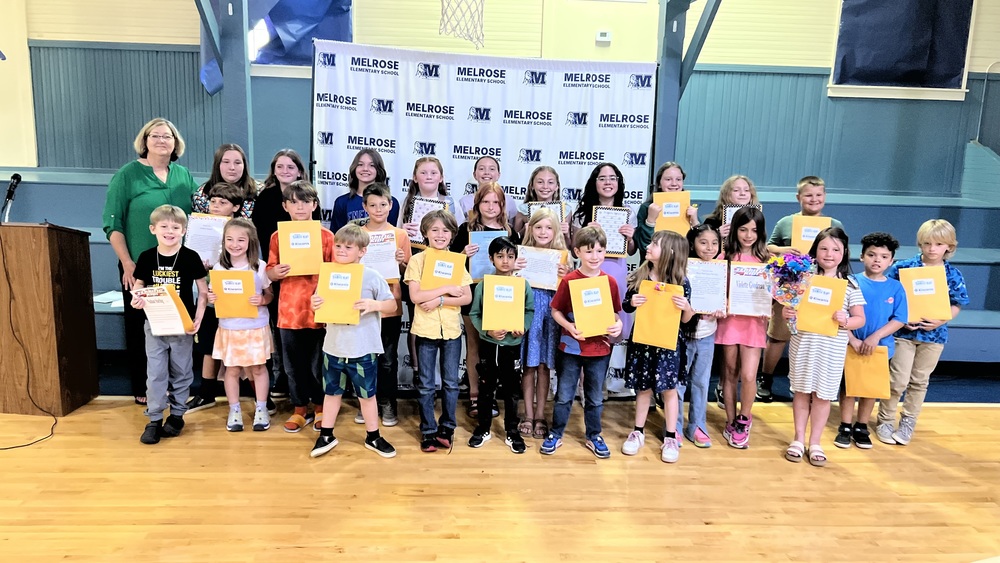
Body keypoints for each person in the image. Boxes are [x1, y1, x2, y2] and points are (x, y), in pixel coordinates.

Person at [102, 117, 199, 405]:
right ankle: (144, 388)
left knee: (177, 325)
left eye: (167, 136)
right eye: (155, 136)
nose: (161, 141)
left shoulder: (183, 175)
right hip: (141, 266)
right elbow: (113, 223)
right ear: (144, 141)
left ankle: (177, 388)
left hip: (179, 266)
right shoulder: (127, 175)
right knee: (140, 324)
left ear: (175, 142)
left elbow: (200, 214)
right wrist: (128, 263)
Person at [309, 224, 399, 459]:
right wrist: (315, 303)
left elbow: (392, 305)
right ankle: (326, 434)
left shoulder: (371, 276)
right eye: (338, 246)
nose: (341, 250)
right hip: (334, 346)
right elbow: (319, 304)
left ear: (362, 251)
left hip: (363, 347)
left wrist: (374, 305)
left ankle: (373, 436)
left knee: (367, 395)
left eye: (348, 247)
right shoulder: (328, 275)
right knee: (331, 392)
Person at [878, 219, 968, 446]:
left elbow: (957, 303)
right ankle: (886, 420)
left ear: (949, 246)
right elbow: (890, 296)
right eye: (927, 243)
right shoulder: (904, 267)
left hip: (934, 337)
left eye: (938, 244)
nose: (932, 249)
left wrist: (942, 319)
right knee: (897, 380)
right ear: (920, 243)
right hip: (903, 334)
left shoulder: (953, 274)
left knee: (919, 381)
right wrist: (901, 318)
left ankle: (908, 422)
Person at [782, 227, 866, 467]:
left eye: (836, 249)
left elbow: (860, 318)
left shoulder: (850, 285)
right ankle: (798, 439)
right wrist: (787, 312)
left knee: (822, 396)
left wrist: (846, 320)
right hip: (805, 344)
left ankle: (815, 442)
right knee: (801, 392)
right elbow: (789, 311)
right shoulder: (801, 279)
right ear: (815, 251)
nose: (829, 254)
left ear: (845, 253)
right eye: (824, 248)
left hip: (831, 348)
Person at [758, 176, 845, 402]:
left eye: (818, 195)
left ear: (825, 197)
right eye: (808, 195)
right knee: (778, 335)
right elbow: (768, 247)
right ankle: (765, 378)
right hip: (790, 286)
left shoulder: (834, 224)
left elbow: (841, 253)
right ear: (799, 198)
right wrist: (786, 249)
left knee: (813, 334)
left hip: (821, 288)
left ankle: (803, 384)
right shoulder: (787, 222)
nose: (813, 199)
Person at [541, 226, 624, 458]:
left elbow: (615, 314)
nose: (595, 257)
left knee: (595, 396)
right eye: (589, 252)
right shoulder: (569, 280)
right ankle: (556, 433)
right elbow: (555, 310)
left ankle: (594, 435)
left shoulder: (610, 283)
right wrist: (569, 327)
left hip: (599, 349)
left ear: (605, 251)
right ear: (577, 252)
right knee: (564, 395)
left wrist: (617, 325)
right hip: (570, 347)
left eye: (599, 251)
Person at [130, 205, 208, 444]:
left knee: (182, 372)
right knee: (155, 373)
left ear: (184, 230)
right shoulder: (145, 256)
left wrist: (198, 318)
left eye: (175, 227)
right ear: (153, 229)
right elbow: (138, 286)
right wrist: (136, 298)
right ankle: (154, 418)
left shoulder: (190, 257)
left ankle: (176, 415)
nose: (169, 231)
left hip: (182, 325)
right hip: (154, 325)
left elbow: (203, 292)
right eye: (164, 226)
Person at [265, 181, 335, 433]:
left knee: (319, 365)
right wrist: (276, 272)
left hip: (318, 311)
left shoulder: (327, 237)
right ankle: (298, 409)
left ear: (315, 205)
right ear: (285, 206)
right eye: (294, 202)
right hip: (288, 312)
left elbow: (336, 271)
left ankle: (320, 407)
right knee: (292, 365)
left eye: (305, 201)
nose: (300, 206)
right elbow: (269, 272)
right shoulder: (277, 237)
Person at [620, 231, 695, 463]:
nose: (649, 246)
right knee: (643, 388)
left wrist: (686, 307)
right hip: (643, 342)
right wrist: (631, 302)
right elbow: (626, 305)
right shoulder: (641, 276)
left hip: (668, 345)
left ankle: (671, 436)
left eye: (655, 244)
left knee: (669, 389)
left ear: (670, 252)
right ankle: (638, 431)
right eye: (651, 242)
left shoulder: (681, 283)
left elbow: (687, 320)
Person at [403, 210, 473, 452]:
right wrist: (445, 288)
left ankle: (447, 428)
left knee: (451, 383)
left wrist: (440, 301)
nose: (440, 234)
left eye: (445, 230)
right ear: (425, 233)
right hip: (426, 330)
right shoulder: (417, 260)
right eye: (434, 230)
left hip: (451, 330)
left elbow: (466, 297)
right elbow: (415, 296)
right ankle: (428, 430)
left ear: (453, 235)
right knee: (425, 383)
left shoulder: (456, 261)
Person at [451, 182, 520, 418]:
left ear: (502, 206)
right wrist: (462, 255)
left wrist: (518, 265)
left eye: (496, 202)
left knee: (496, 349)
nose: (491, 207)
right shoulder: (464, 230)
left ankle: (490, 396)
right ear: (477, 204)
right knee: (474, 347)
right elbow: (449, 267)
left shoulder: (511, 233)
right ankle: (474, 396)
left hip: (502, 297)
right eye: (485, 201)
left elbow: (516, 266)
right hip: (473, 295)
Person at [252, 149, 315, 401]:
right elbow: (258, 234)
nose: (285, 171)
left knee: (312, 342)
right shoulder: (266, 197)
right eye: (281, 166)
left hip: (311, 287)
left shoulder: (309, 199)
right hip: (281, 277)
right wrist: (271, 270)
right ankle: (284, 380)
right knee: (282, 331)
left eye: (291, 166)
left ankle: (315, 396)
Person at [838, 232, 907, 449]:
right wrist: (852, 339)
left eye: (883, 256)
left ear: (891, 261)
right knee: (849, 387)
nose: (877, 260)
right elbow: (839, 313)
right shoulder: (851, 282)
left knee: (870, 389)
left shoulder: (896, 287)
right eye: (872, 254)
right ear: (862, 257)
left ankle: (861, 426)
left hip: (880, 348)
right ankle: (845, 425)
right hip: (852, 345)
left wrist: (876, 336)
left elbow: (900, 319)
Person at [467, 237, 535, 453]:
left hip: (512, 345)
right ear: (491, 258)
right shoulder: (484, 285)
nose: (505, 261)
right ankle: (484, 428)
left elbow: (529, 311)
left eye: (510, 256)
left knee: (512, 391)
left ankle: (512, 431)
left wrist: (522, 327)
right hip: (489, 345)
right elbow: (475, 313)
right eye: (500, 256)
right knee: (486, 388)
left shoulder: (522, 285)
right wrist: (487, 330)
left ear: (515, 259)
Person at [206, 218, 274, 432]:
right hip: (229, 326)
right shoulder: (219, 267)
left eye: (241, 240)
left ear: (250, 242)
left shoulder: (259, 267)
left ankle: (261, 407)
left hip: (255, 326)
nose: (235, 244)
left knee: (258, 368)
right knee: (232, 369)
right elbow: (214, 294)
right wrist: (212, 297)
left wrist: (263, 300)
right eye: (230, 239)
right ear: (224, 241)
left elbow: (269, 294)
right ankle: (234, 409)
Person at [398, 157, 462, 381]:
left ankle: (443, 373)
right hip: (417, 260)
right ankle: (418, 369)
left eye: (433, 173)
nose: (428, 177)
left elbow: (458, 231)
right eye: (423, 173)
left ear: (441, 177)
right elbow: (398, 232)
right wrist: (404, 230)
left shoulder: (449, 201)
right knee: (418, 314)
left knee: (442, 310)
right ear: (415, 177)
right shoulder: (407, 201)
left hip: (444, 264)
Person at [355, 182, 412, 428]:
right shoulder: (356, 233)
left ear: (391, 206)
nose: (378, 209)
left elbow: (408, 272)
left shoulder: (399, 235)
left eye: (383, 204)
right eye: (373, 205)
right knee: (365, 356)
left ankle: (388, 402)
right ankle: (368, 402)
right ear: (364, 207)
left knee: (388, 358)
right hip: (363, 300)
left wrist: (401, 262)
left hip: (389, 301)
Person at [188, 182, 245, 414]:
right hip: (210, 296)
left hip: (236, 295)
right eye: (213, 202)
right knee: (209, 346)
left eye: (223, 203)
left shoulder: (242, 230)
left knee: (240, 343)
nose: (216, 206)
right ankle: (206, 392)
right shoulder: (200, 225)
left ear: (235, 207)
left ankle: (249, 392)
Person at [716, 207, 769, 449]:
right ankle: (730, 421)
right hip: (729, 320)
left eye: (754, 230)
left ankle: (744, 419)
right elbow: (713, 286)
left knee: (749, 374)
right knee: (729, 372)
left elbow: (775, 294)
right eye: (743, 229)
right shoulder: (723, 256)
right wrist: (722, 300)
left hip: (754, 323)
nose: (748, 235)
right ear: (735, 229)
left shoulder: (767, 261)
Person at [518, 208, 570, 439]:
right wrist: (514, 270)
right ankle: (528, 414)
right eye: (538, 226)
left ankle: (540, 415)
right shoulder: (522, 253)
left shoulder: (563, 256)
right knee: (528, 366)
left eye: (549, 227)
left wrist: (565, 275)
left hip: (551, 313)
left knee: (543, 366)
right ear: (531, 229)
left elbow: (568, 291)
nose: (543, 231)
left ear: (556, 230)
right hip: (528, 310)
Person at [675, 224, 725, 448]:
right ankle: (673, 427)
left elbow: (725, 299)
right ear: (692, 244)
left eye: (714, 243)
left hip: (707, 334)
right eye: (703, 242)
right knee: (677, 383)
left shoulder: (720, 269)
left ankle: (697, 425)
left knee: (701, 382)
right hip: (683, 334)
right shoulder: (682, 268)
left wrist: (721, 308)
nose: (709, 248)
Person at [634, 162, 699, 262]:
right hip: (651, 268)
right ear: (659, 183)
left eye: (678, 179)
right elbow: (644, 247)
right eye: (668, 179)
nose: (674, 183)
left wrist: (695, 223)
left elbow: (698, 247)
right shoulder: (647, 208)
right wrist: (650, 222)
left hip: (679, 267)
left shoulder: (690, 209)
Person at [329, 149, 400, 232]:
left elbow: (392, 235)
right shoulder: (342, 202)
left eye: (372, 165)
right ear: (354, 168)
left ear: (378, 170)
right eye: (360, 164)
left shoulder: (391, 202)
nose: (365, 169)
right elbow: (337, 237)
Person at [192, 143, 257, 219]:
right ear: (218, 165)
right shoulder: (201, 194)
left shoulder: (260, 191)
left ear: (244, 166)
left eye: (237, 163)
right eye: (226, 162)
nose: (232, 167)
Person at [512, 165, 570, 244]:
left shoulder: (565, 211)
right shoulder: (523, 210)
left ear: (557, 186)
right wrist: (524, 231)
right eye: (540, 182)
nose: (545, 186)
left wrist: (566, 235)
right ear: (532, 185)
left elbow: (570, 247)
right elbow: (514, 242)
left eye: (550, 182)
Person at [458, 156, 517, 223]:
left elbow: (512, 229)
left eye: (492, 169)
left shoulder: (508, 201)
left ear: (498, 175)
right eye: (481, 169)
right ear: (474, 175)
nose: (486, 172)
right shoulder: (464, 202)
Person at [701, 175, 761, 239]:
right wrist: (716, 235)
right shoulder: (712, 221)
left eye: (746, 190)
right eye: (736, 190)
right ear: (726, 194)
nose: (742, 193)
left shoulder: (757, 218)